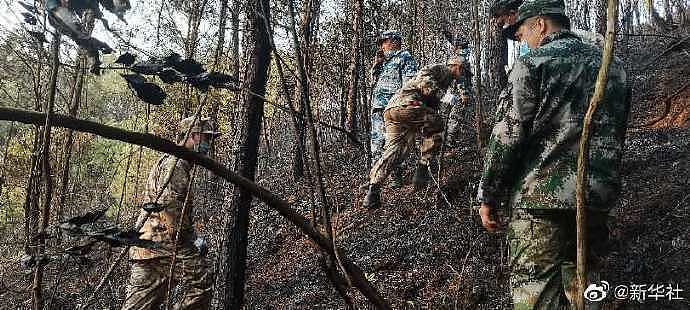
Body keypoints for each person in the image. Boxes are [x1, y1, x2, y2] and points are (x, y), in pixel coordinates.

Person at [476, 0, 630, 308]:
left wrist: (488, 195)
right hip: (595, 199)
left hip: (540, 203)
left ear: (541, 24)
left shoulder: (533, 64)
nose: (522, 42)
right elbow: (617, 130)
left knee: (537, 296)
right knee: (586, 292)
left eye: (521, 34)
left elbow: (509, 134)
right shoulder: (612, 66)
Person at [122, 116, 220, 310]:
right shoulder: (176, 164)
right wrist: (192, 238)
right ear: (193, 136)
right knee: (203, 283)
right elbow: (172, 208)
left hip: (148, 247)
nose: (209, 144)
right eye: (207, 138)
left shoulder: (173, 161)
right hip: (163, 243)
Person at [363, 58, 465, 209]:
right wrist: (445, 97)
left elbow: (431, 105)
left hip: (392, 111)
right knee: (437, 123)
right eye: (463, 70)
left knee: (397, 151)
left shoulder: (447, 81)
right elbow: (423, 79)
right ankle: (423, 169)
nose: (462, 75)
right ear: (457, 66)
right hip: (407, 106)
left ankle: (373, 191)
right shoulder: (441, 69)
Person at [369, 30, 418, 189]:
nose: (382, 46)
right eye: (382, 43)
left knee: (393, 144)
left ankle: (395, 178)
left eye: (384, 42)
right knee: (376, 144)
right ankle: (375, 180)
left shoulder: (405, 57)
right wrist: (377, 63)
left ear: (394, 41)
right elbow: (374, 80)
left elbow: (410, 85)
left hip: (393, 108)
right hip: (378, 108)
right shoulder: (384, 61)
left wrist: (404, 106)